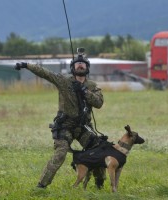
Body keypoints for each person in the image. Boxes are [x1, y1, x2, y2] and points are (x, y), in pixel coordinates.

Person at [14, 48, 106, 189]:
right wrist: (26, 65)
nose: (80, 66)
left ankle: (100, 182)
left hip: (83, 127)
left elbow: (99, 103)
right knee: (60, 153)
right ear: (72, 67)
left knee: (97, 149)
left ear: (87, 68)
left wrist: (84, 91)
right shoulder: (64, 81)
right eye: (77, 64)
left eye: (83, 64)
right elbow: (45, 73)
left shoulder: (92, 86)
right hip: (65, 126)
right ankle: (41, 186)